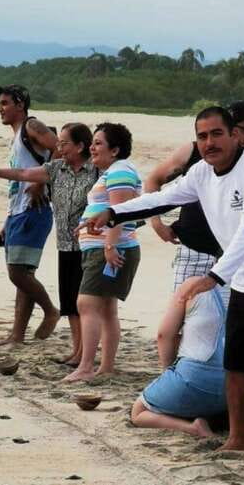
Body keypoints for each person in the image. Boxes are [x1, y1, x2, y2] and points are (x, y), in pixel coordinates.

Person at [81, 107, 244, 473]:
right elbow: (162, 198)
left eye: (217, 134)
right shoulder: (202, 173)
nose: (209, 143)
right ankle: (238, 437)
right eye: (202, 136)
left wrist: (215, 276)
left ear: (234, 135)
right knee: (238, 360)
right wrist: (114, 214)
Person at [0, 122, 98, 363]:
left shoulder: (97, 172)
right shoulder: (57, 169)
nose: (59, 148)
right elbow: (23, 174)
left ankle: (85, 355)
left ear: (80, 146)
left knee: (86, 302)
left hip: (90, 245)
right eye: (59, 144)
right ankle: (77, 352)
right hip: (65, 244)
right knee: (70, 302)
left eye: (64, 144)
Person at [145, 101, 244, 292]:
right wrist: (157, 224)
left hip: (233, 258)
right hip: (195, 252)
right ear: (229, 129)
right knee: (184, 306)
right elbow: (153, 180)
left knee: (231, 312)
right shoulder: (194, 152)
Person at [131, 284, 244, 437]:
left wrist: (169, 371)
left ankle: (192, 427)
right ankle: (238, 421)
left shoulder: (194, 286)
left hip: (198, 382)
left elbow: (164, 335)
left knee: (139, 412)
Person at [63, 122, 142, 383]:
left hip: (107, 250)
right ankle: (105, 367)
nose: (92, 148)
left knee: (87, 304)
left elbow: (121, 212)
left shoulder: (120, 172)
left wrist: (109, 245)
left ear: (115, 150)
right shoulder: (115, 171)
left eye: (98, 143)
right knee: (107, 308)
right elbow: (111, 211)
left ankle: (86, 366)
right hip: (104, 248)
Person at [0, 84, 60, 346]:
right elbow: (16, 185)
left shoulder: (32, 126)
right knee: (23, 275)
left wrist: (42, 181)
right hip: (18, 212)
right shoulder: (17, 137)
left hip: (34, 211)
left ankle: (50, 310)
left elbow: (61, 149)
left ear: (20, 105)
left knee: (17, 273)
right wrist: (7, 220)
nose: (0, 109)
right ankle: (16, 335)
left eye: (5, 103)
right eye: (0, 103)